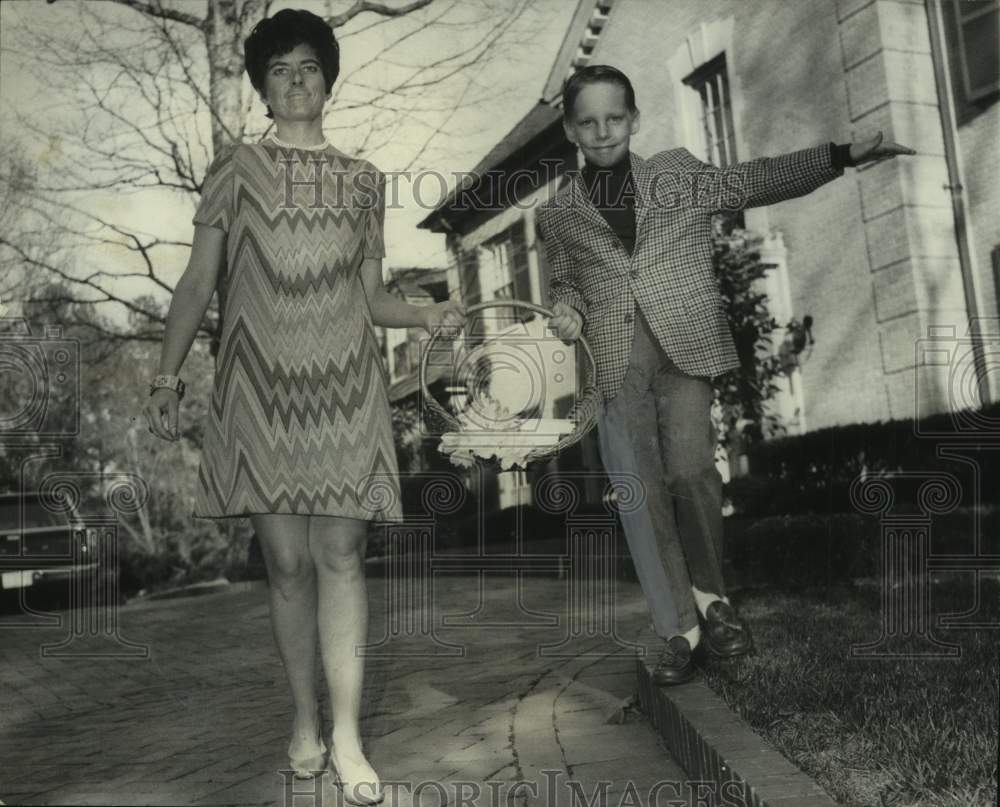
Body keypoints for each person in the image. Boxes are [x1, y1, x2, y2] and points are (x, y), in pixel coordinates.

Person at [142, 9, 464, 803]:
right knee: (286, 564)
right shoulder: (235, 168)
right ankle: (304, 720)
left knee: (342, 557)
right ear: (261, 85)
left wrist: (424, 314)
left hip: (347, 388)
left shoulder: (361, 181)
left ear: (329, 78)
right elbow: (196, 281)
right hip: (258, 388)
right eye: (280, 68)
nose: (295, 80)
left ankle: (349, 735)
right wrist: (165, 373)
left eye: (309, 66)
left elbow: (374, 298)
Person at [537, 64, 913, 685]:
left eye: (614, 118)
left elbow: (754, 179)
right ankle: (678, 628)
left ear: (635, 120)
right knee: (638, 491)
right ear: (571, 131)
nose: (602, 131)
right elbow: (564, 285)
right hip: (612, 362)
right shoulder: (558, 216)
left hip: (685, 346)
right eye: (587, 122)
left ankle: (714, 601)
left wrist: (843, 154)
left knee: (691, 473)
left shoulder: (678, 173)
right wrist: (566, 311)